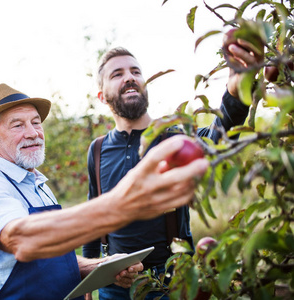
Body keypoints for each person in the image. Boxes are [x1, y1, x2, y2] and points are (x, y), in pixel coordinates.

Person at [0, 83, 209, 300]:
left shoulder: (38, 186)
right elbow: (22, 241)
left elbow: (51, 261)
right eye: (18, 125)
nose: (33, 133)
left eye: (36, 122)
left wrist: (102, 266)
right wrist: (119, 205)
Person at [82, 38, 263, 299]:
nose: (129, 78)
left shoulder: (173, 139)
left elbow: (217, 139)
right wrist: (89, 281)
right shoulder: (96, 150)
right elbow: (93, 216)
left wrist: (234, 95)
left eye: (135, 72)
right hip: (114, 284)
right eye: (117, 74)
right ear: (102, 96)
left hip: (170, 281)